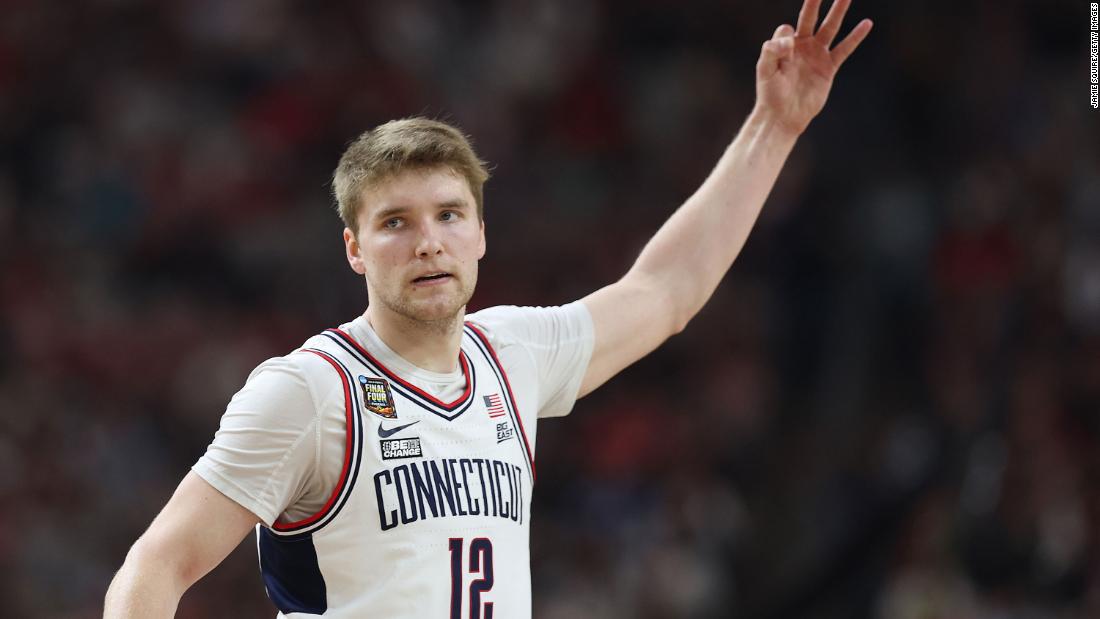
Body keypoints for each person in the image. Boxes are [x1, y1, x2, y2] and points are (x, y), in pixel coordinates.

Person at [104, 0, 872, 616]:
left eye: (448, 215)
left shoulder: (513, 352)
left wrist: (774, 126)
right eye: (396, 222)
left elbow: (665, 292)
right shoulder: (307, 392)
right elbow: (155, 567)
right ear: (355, 250)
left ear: (479, 232)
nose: (428, 242)